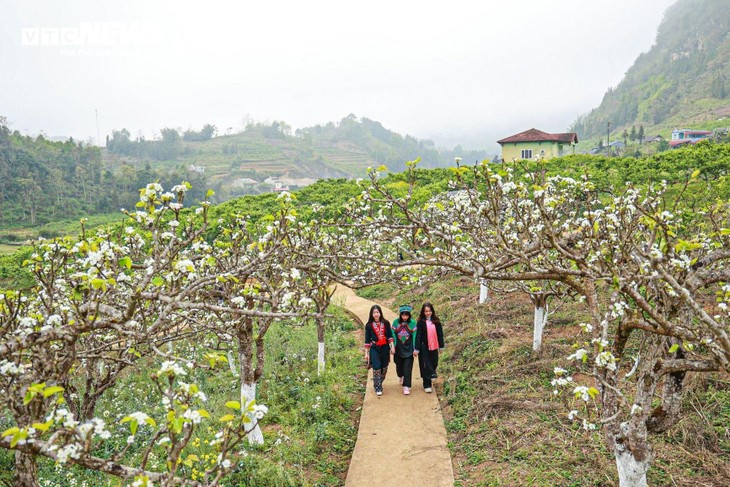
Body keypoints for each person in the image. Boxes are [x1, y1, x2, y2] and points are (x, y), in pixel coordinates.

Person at [363, 304, 394, 397]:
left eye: (377, 312)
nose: (376, 314)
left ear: (380, 313)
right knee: (376, 366)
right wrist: (366, 353)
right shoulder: (368, 325)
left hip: (385, 347)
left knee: (384, 366)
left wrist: (392, 346)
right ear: (371, 314)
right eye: (374, 313)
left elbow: (390, 336)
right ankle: (378, 387)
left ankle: (379, 381)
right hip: (374, 348)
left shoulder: (386, 323)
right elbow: (367, 340)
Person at [415, 302, 444, 393]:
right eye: (426, 311)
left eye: (429, 311)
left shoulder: (436, 321)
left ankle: (431, 375)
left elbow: (440, 334)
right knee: (425, 365)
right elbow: (418, 335)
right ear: (423, 312)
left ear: (432, 311)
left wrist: (441, 346)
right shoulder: (420, 322)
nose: (428, 313)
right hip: (424, 346)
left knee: (433, 363)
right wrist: (417, 348)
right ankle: (426, 384)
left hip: (434, 346)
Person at [391, 305, 418, 395]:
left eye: (407, 315)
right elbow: (393, 334)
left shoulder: (413, 323)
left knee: (408, 368)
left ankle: (406, 386)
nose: (405, 317)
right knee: (398, 365)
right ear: (400, 315)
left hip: (409, 348)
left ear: (409, 315)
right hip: (398, 348)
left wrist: (415, 348)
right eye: (403, 315)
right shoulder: (395, 323)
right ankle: (400, 375)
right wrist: (393, 346)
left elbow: (414, 335)